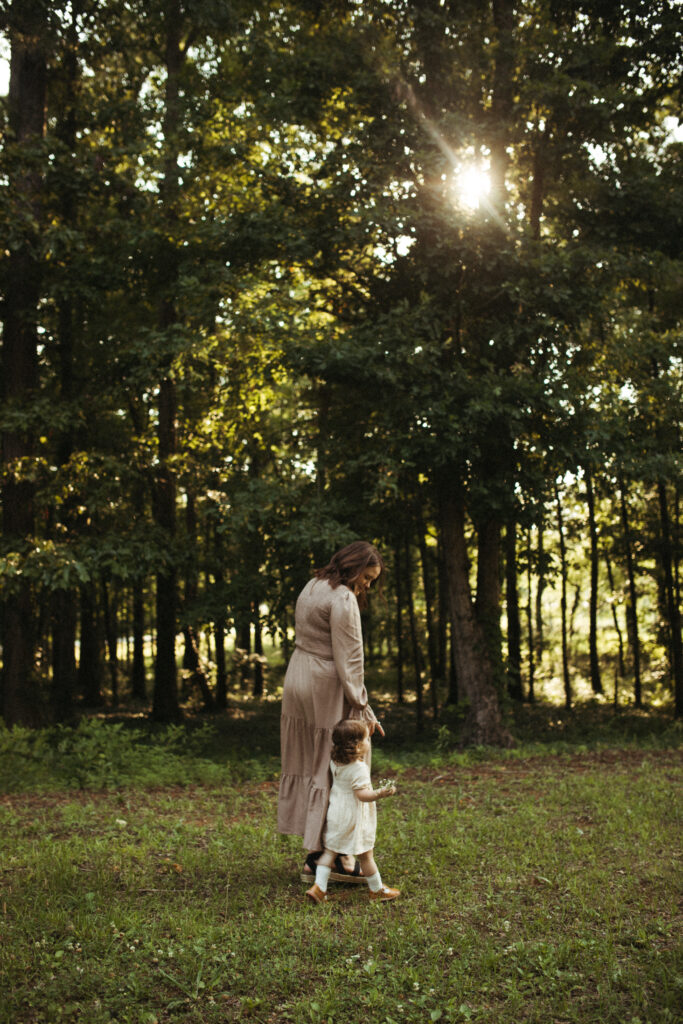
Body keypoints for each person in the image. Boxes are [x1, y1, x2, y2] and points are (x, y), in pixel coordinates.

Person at [277, 540, 385, 885]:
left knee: (313, 762)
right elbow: (350, 658)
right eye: (366, 577)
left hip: (298, 676)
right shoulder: (342, 598)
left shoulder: (313, 585)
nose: (366, 585)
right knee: (337, 764)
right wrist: (362, 706)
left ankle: (315, 857)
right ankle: (335, 857)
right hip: (324, 683)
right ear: (353, 566)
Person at [306, 718, 399, 903]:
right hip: (353, 816)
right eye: (366, 739)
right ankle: (377, 890)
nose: (368, 742)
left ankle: (319, 887)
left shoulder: (335, 761)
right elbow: (362, 795)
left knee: (330, 852)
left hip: (335, 812)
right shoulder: (359, 768)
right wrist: (381, 793)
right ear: (356, 745)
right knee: (365, 854)